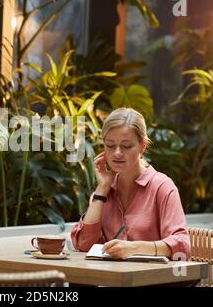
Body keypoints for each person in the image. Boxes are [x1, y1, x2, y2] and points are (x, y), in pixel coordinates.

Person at [71, 108, 190, 260]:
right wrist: (102, 189)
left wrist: (134, 248)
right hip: (113, 280)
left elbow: (182, 244)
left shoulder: (162, 187)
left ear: (143, 147)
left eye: (126, 146)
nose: (117, 153)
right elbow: (83, 245)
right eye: (110, 145)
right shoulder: (103, 192)